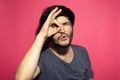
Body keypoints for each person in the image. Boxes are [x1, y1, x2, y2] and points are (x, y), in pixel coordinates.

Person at [15, 5, 94, 80]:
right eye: (54, 26)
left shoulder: (82, 51)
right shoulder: (41, 58)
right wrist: (42, 36)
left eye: (65, 24)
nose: (62, 30)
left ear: (72, 26)